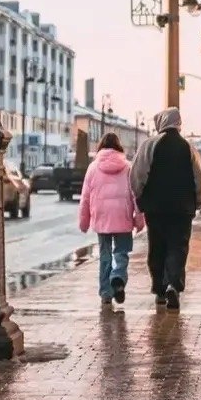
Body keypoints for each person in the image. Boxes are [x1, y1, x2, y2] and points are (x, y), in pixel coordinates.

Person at [130, 109, 201, 309]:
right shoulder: (188, 148)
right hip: (182, 208)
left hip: (155, 208)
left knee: (157, 247)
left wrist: (140, 196)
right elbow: (199, 178)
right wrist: (199, 200)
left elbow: (137, 174)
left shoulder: (149, 145)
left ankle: (159, 290)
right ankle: (173, 283)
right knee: (178, 246)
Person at [78, 131, 144, 306]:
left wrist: (84, 221)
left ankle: (106, 293)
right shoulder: (128, 167)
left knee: (105, 255)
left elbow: (85, 197)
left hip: (101, 218)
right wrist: (139, 220)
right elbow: (135, 195)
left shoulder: (92, 168)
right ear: (119, 147)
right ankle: (118, 277)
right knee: (121, 252)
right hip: (122, 217)